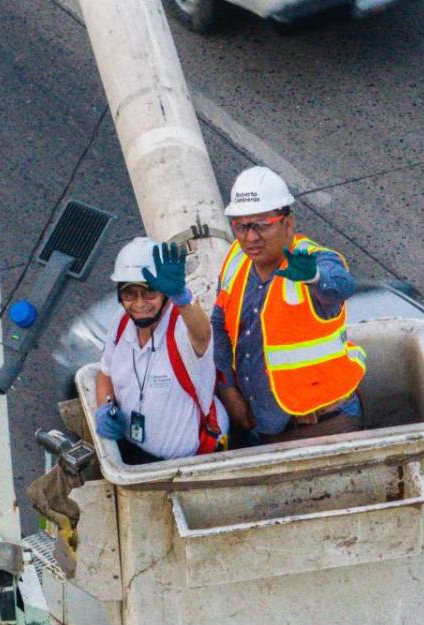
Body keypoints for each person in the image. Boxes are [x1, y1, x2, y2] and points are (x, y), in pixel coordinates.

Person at [212, 166, 368, 444]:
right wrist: (227, 389)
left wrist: (315, 277)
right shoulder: (236, 259)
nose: (251, 238)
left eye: (262, 225)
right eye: (241, 226)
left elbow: (342, 286)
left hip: (327, 427)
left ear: (288, 223)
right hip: (268, 426)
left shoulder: (310, 261)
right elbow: (219, 323)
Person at [95, 238, 227, 464]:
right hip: (133, 454)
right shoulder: (121, 323)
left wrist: (182, 299)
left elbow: (202, 334)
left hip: (189, 464)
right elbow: (105, 372)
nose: (140, 304)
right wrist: (105, 407)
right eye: (130, 293)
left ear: (165, 293)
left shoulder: (181, 328)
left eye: (150, 292)